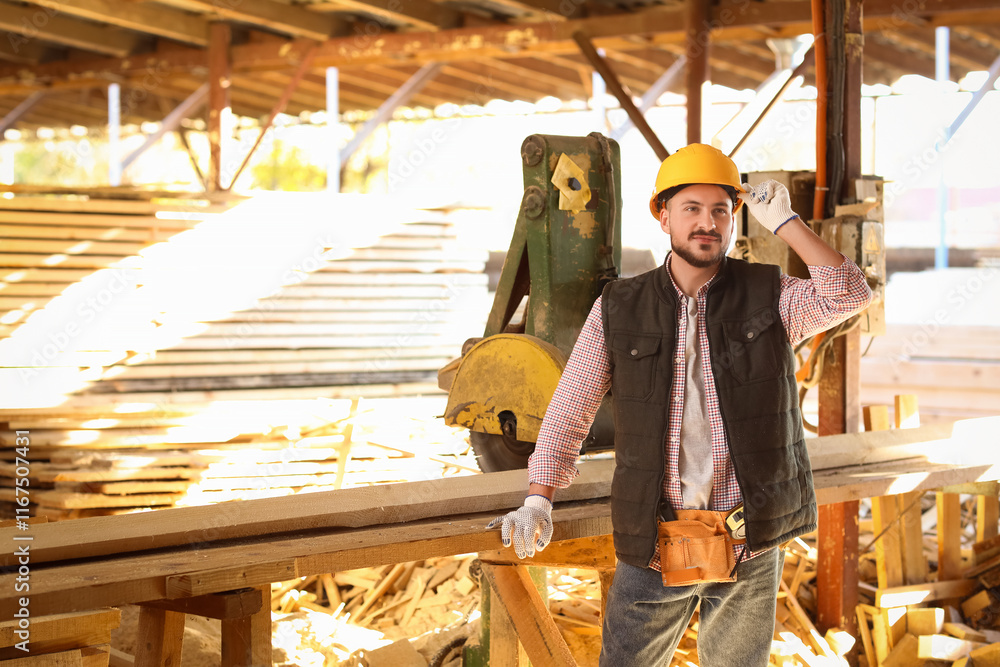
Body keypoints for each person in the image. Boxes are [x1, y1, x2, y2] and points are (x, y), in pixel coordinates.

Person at [487, 143, 873, 666]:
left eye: (720, 210)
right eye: (691, 208)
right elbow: (570, 406)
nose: (707, 223)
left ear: (735, 218)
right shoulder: (620, 305)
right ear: (663, 215)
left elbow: (847, 295)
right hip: (654, 537)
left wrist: (785, 223)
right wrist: (539, 497)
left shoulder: (770, 295)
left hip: (747, 540)